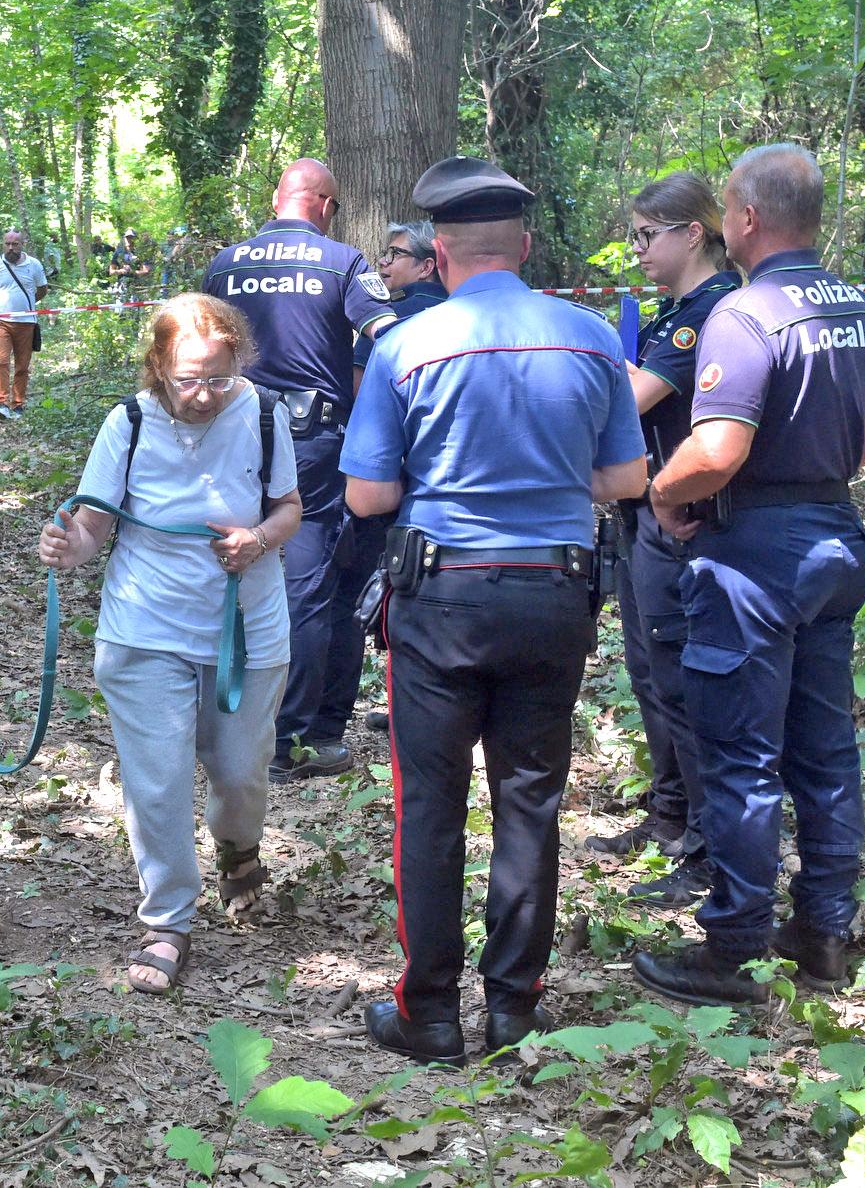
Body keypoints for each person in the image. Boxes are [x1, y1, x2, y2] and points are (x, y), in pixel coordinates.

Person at [342, 156, 647, 1066]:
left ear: (438, 251)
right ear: (524, 246)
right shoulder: (593, 338)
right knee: (529, 804)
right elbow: (628, 480)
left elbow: (365, 497)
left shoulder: (404, 345)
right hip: (556, 594)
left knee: (430, 807)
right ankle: (515, 1009)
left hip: (441, 600)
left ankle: (428, 1014)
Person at [632, 144, 865, 1008]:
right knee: (825, 750)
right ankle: (823, 935)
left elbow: (717, 450)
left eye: (726, 210)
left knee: (740, 756)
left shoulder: (746, 312)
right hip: (834, 542)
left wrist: (663, 491)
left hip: (756, 556)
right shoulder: (854, 304)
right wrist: (826, 469)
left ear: (746, 219)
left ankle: (735, 949)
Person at [38, 294, 303, 994]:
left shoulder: (266, 413)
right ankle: (168, 922)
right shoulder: (127, 421)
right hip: (145, 624)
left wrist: (260, 539)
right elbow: (94, 521)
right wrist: (71, 548)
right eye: (188, 378)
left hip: (247, 625)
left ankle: (239, 852)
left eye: (219, 377)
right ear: (158, 367)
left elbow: (289, 508)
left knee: (243, 772)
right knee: (155, 781)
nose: (205, 394)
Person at [202, 158, 396, 783]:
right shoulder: (344, 264)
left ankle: (216, 722)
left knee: (220, 568)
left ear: (279, 199)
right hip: (311, 443)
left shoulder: (224, 265)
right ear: (326, 205)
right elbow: (388, 337)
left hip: (228, 435)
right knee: (311, 585)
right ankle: (293, 739)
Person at [585, 174, 741, 910]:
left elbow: (633, 397)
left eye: (649, 234)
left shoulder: (706, 313)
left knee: (683, 683)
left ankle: (709, 847)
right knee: (651, 674)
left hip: (687, 518)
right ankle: (670, 816)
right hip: (647, 513)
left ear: (693, 233)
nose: (638, 248)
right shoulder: (672, 310)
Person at [339, 221, 449, 742]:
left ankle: (406, 701)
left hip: (392, 479)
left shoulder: (388, 324)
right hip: (451, 481)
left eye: (395, 255)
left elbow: (364, 392)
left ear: (428, 264)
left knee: (393, 589)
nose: (382, 265)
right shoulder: (462, 314)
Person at [0, 230, 50, 419]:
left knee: (22, 365)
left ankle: (18, 404)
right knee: (1, 361)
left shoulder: (34, 265)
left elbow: (42, 290)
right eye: (7, 244)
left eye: (15, 244)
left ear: (22, 244)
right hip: (1, 322)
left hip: (26, 323)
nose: (11, 247)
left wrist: (27, 305)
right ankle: (1, 403)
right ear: (3, 245)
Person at [108, 230, 152, 298]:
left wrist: (133, 272)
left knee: (137, 305)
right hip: (122, 286)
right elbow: (111, 271)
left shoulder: (139, 252)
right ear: (124, 239)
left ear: (134, 239)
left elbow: (146, 271)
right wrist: (121, 271)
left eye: (131, 237)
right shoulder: (118, 253)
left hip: (137, 286)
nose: (129, 240)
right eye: (127, 237)